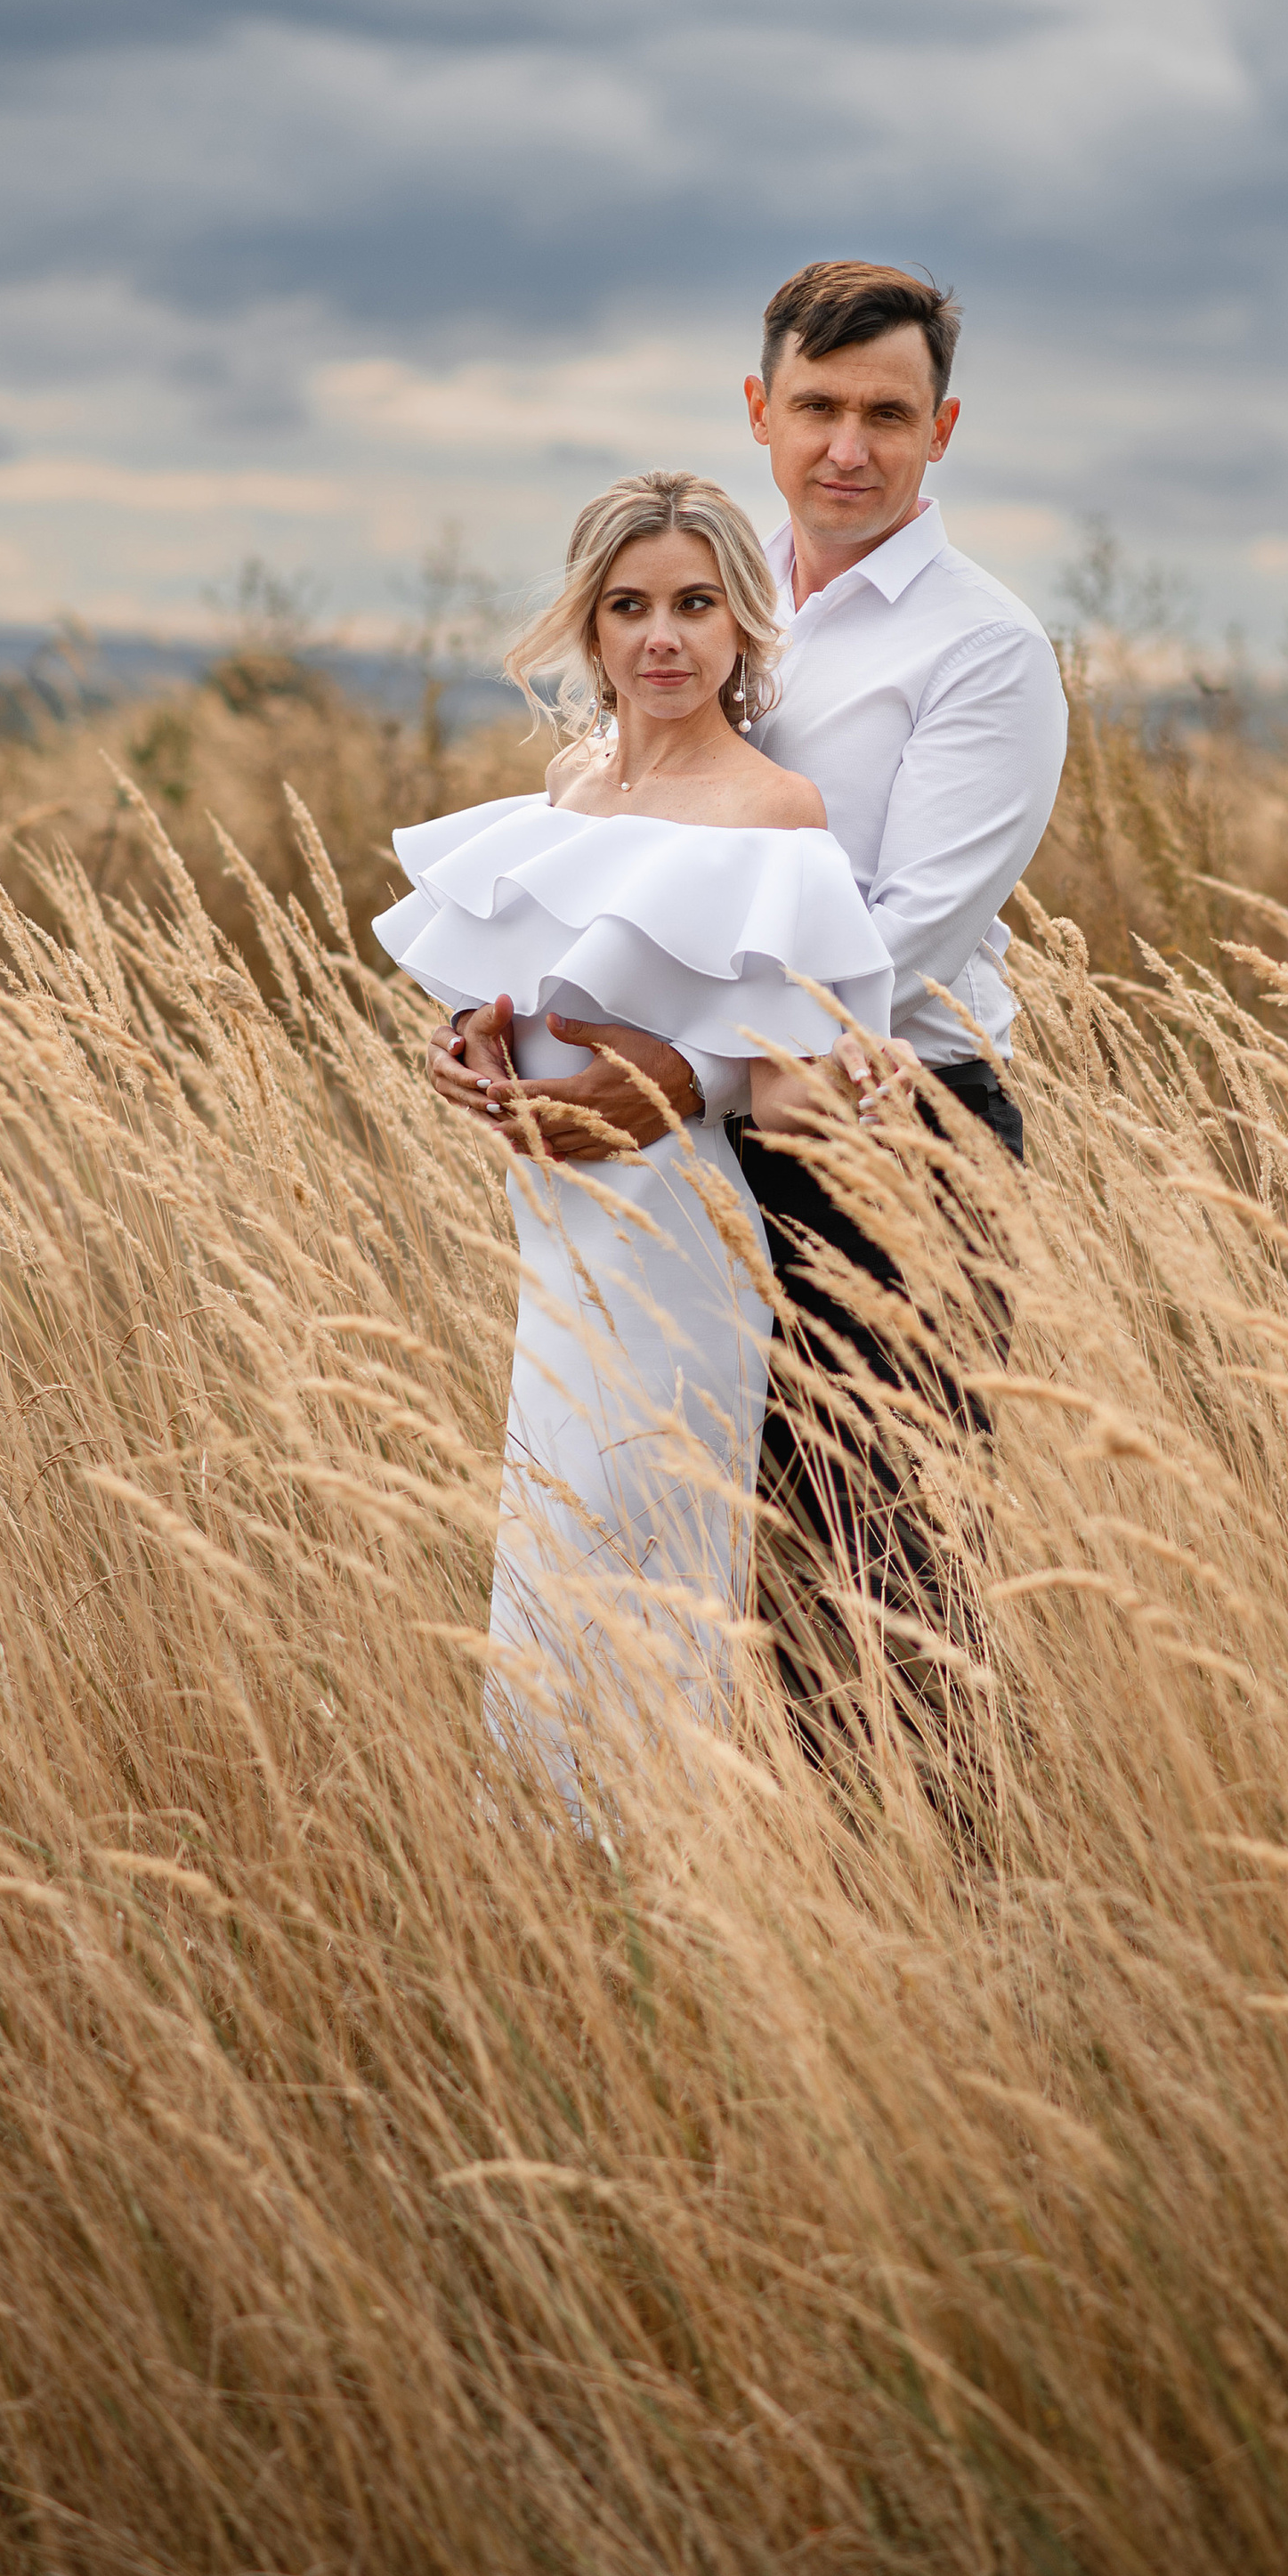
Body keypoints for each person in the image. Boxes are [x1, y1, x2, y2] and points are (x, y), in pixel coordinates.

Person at [428, 263, 1069, 1773]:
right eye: (819, 408)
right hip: (688, 1153)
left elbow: (904, 936)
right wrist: (507, 1017)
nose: (850, 445)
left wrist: (688, 1071)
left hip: (893, 1133)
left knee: (885, 1562)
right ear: (760, 412)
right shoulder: (709, 599)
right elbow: (615, 853)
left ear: (944, 428)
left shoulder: (985, 649)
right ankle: (726, 1896)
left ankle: (949, 1922)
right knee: (696, 1529)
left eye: (888, 414)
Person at [377, 471, 894, 1796]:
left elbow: (780, 1088)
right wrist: (471, 1045)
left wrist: (853, 1075)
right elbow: (528, 999)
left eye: (695, 605)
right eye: (629, 607)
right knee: (546, 1552)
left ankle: (661, 1863)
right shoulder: (569, 786)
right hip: (554, 1240)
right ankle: (552, 1882)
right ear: (590, 629)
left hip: (678, 1246)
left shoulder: (776, 812)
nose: (663, 636)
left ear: (740, 629)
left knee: (649, 1557)